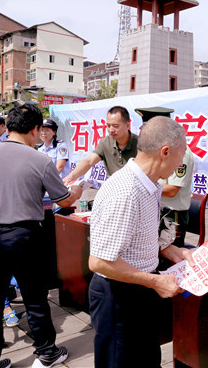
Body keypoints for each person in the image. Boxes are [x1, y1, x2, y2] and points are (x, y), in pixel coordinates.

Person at [0, 103, 83, 368]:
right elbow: (63, 201)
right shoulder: (40, 159)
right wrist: (77, 190)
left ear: (7, 128)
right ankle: (47, 352)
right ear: (35, 130)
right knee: (34, 297)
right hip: (24, 236)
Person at [88, 116, 194, 368]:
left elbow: (138, 234)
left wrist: (170, 251)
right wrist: (156, 281)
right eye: (182, 156)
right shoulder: (126, 192)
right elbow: (100, 262)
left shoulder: (148, 185)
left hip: (139, 288)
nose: (182, 163)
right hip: (119, 296)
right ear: (165, 152)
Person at [135, 106, 195, 247]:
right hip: (156, 209)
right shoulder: (152, 151)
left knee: (167, 259)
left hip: (172, 215)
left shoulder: (181, 152)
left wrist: (141, 186)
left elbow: (173, 189)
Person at [63, 106, 138, 183]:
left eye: (115, 126)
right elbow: (89, 161)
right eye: (108, 126)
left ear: (127, 125)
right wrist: (70, 176)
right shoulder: (105, 143)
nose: (111, 130)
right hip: (114, 187)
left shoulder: (140, 144)